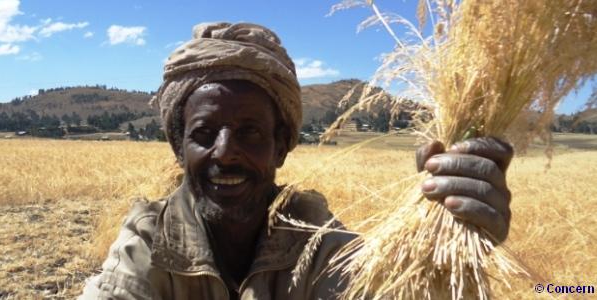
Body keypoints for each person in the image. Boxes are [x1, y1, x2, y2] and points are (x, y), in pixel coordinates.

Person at [80, 22, 513, 300]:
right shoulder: (149, 242)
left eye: (250, 131)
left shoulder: (320, 243)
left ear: (283, 144)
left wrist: (446, 253)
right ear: (178, 147)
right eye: (203, 134)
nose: (226, 152)